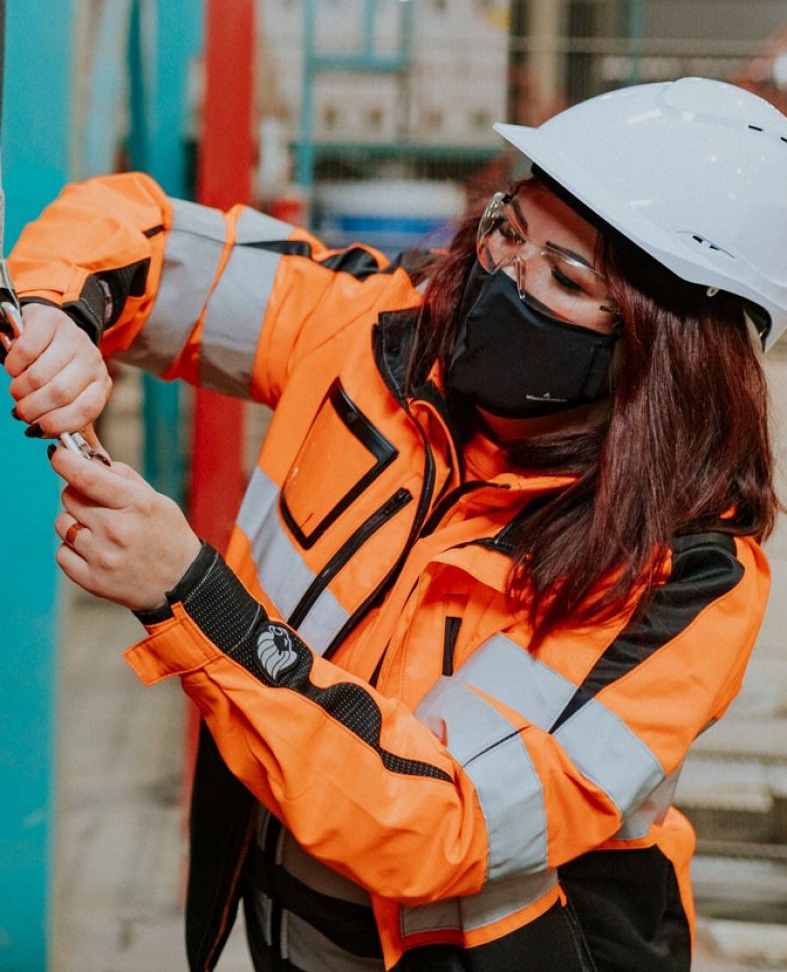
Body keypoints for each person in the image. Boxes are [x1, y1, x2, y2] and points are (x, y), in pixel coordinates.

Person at [5, 76, 785, 972]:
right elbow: (134, 233)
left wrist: (193, 597)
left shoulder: (685, 578)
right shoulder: (379, 332)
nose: (505, 278)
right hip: (277, 914)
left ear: (671, 346)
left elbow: (443, 823)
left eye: (566, 278)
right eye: (508, 228)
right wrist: (64, 315)